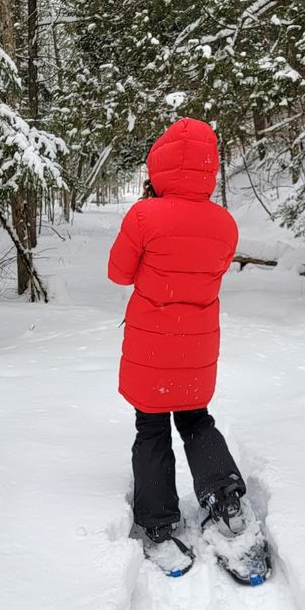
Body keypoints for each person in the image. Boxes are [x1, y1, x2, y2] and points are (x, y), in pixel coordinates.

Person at [107, 118, 247, 573]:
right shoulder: (225, 223)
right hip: (197, 345)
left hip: (151, 345)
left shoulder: (144, 216)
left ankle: (159, 523)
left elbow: (118, 273)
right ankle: (225, 499)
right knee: (196, 420)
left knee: (151, 428)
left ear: (159, 164)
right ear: (211, 168)